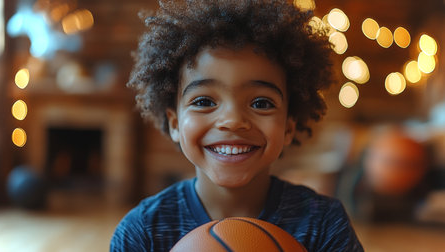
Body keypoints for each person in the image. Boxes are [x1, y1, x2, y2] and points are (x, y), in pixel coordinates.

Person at [111, 0, 363, 251]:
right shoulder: (142, 231)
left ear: (288, 127)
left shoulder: (323, 224)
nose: (232, 120)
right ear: (175, 123)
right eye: (204, 101)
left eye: (261, 103)